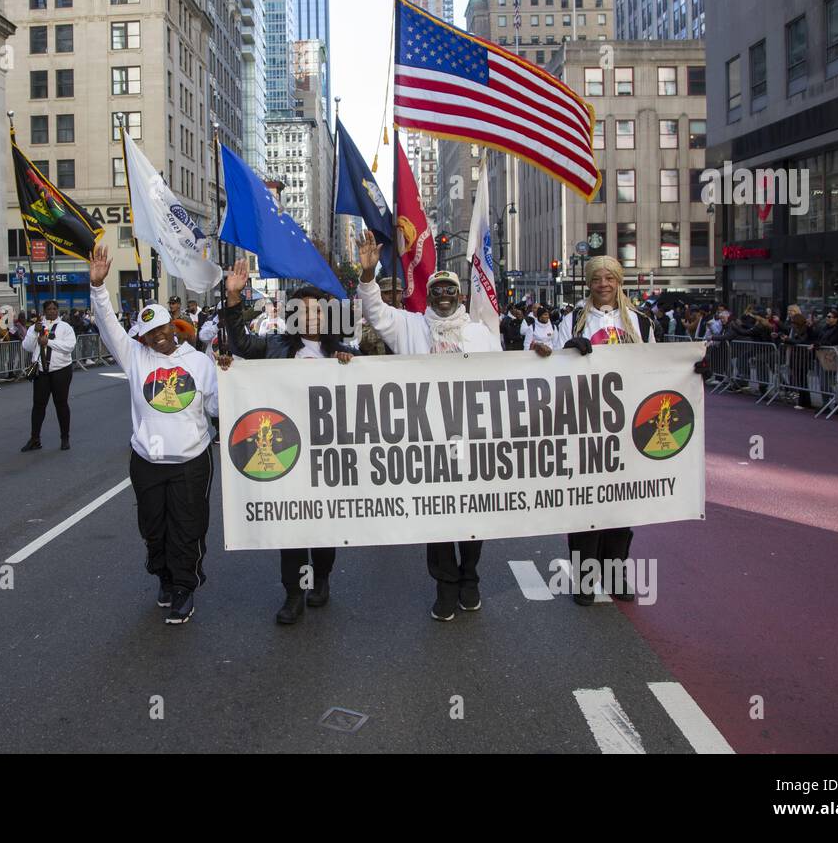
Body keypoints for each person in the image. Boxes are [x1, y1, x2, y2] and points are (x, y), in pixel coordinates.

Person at [358, 230, 548, 621]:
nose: (444, 295)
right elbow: (375, 311)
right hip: (428, 441)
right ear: (429, 296)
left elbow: (503, 379)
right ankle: (445, 586)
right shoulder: (409, 327)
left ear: (460, 296)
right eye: (437, 290)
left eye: (451, 290)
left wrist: (541, 358)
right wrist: (367, 273)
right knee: (437, 517)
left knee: (472, 515)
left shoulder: (480, 333)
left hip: (473, 441)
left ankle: (470, 577)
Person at [221, 259, 359, 625]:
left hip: (329, 455)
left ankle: (322, 578)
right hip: (288, 453)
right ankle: (295, 593)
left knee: (324, 528)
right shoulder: (275, 346)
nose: (312, 317)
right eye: (304, 311)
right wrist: (233, 299)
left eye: (318, 311)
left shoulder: (344, 352)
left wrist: (351, 364)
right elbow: (241, 343)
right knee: (293, 528)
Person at [89, 244, 220, 626]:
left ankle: (184, 588)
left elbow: (215, 406)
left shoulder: (198, 362)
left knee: (187, 527)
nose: (158, 337)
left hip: (190, 462)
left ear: (173, 326)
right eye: (149, 334)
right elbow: (109, 328)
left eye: (162, 329)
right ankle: (163, 575)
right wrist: (98, 289)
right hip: (147, 461)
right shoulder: (135, 358)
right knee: (153, 528)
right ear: (142, 339)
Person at [552, 255, 664, 605]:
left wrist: (690, 370)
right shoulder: (571, 321)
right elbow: (552, 367)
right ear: (588, 282)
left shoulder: (640, 321)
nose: (603, 284)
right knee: (586, 504)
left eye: (610, 278)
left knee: (620, 505)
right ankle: (584, 581)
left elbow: (657, 366)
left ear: (619, 281)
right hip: (585, 422)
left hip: (627, 423)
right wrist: (568, 351)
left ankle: (615, 575)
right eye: (597, 278)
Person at [20, 299, 77, 452]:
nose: (52, 311)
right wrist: (33, 333)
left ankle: (65, 438)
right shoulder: (35, 327)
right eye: (49, 309)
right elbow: (26, 346)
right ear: (44, 311)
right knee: (38, 405)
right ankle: (35, 439)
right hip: (41, 371)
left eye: (54, 308)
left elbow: (69, 346)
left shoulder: (65, 327)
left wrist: (49, 343)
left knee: (61, 404)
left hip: (61, 370)